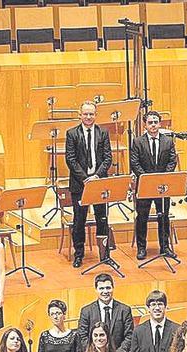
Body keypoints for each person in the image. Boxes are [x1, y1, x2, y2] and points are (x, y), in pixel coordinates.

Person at [65, 101, 113, 268]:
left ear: (96, 115)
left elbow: (108, 158)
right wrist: (86, 179)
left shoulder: (103, 133)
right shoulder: (71, 134)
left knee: (102, 218)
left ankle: (104, 254)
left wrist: (97, 176)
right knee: (79, 220)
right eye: (85, 114)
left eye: (91, 114)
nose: (88, 117)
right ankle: (79, 255)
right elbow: (70, 159)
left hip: (99, 183)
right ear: (80, 115)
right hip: (80, 184)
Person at [129, 111, 178, 260]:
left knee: (163, 216)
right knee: (142, 217)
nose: (153, 125)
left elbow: (172, 161)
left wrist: (161, 177)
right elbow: (134, 162)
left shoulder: (168, 141)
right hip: (145, 185)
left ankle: (165, 247)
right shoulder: (137, 142)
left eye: (156, 122)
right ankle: (141, 248)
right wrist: (147, 178)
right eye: (150, 122)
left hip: (162, 186)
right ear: (145, 125)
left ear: (160, 123)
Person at [76, 273, 134, 352]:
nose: (105, 291)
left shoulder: (124, 310)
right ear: (96, 290)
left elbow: (129, 336)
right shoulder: (86, 311)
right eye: (101, 288)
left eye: (108, 288)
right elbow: (82, 336)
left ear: (113, 288)